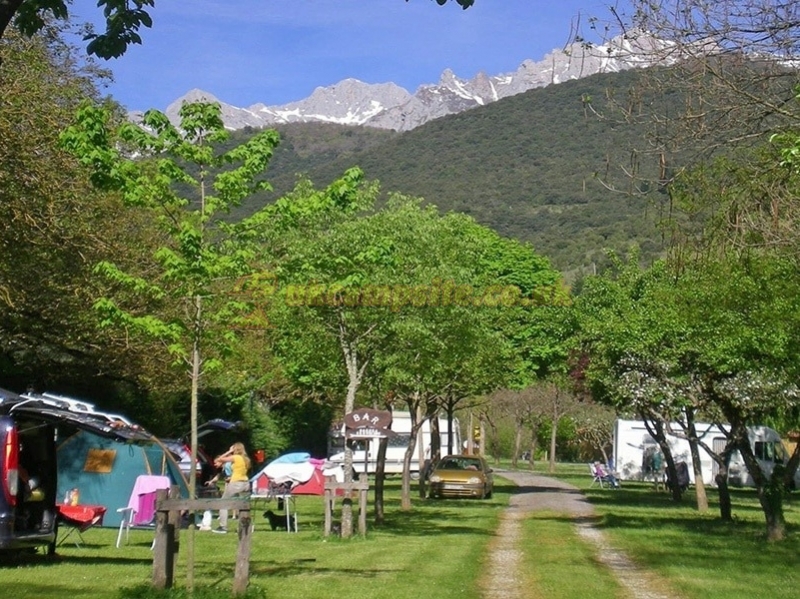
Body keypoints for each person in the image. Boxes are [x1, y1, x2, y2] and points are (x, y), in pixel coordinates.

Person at [211, 442, 251, 534]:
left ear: (235, 449)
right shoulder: (246, 459)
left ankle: (223, 527)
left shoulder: (236, 457)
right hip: (245, 483)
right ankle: (244, 526)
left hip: (236, 483)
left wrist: (229, 451)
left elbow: (220, 459)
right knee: (243, 505)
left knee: (223, 503)